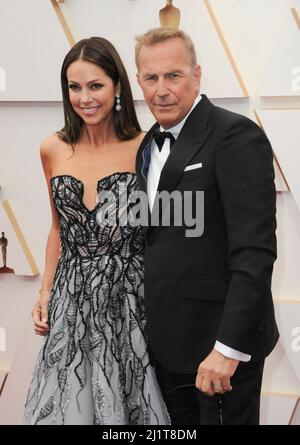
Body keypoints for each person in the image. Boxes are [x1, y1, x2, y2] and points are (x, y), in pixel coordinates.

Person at [135, 28, 279, 425]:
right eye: (151, 77)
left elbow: (255, 253)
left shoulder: (235, 135)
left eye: (173, 75)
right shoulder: (147, 144)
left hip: (217, 352)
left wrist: (227, 349)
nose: (161, 90)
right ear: (138, 81)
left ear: (197, 75)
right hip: (167, 348)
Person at [24, 36, 169, 425]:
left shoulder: (147, 147)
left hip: (129, 298)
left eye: (96, 85)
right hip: (71, 301)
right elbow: (58, 228)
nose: (84, 98)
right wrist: (45, 291)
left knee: (127, 408)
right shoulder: (52, 148)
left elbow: (166, 228)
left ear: (118, 86)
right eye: (74, 87)